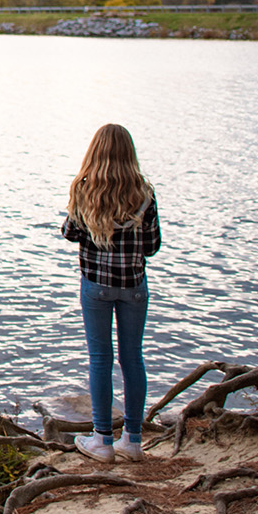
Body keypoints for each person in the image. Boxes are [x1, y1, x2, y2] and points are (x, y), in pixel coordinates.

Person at [61, 122, 161, 464]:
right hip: (133, 286)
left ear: (95, 152)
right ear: (129, 154)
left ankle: (102, 439)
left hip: (96, 287)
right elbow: (151, 247)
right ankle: (132, 440)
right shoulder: (144, 194)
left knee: (100, 359)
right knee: (132, 358)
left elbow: (70, 233)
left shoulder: (84, 189)